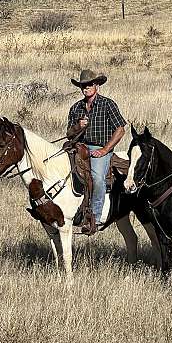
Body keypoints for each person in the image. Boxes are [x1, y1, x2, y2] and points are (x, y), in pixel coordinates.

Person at [67, 69, 126, 234]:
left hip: (100, 147)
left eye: (88, 85)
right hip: (79, 147)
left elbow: (120, 129)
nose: (85, 88)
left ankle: (95, 216)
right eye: (82, 86)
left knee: (97, 178)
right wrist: (78, 127)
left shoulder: (108, 104)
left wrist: (105, 149)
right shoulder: (76, 107)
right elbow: (69, 133)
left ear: (96, 85)